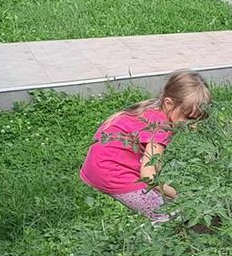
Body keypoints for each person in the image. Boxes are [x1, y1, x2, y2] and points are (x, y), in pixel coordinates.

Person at [80, 69, 210, 223]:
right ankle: (158, 241)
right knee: (166, 214)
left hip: (98, 166)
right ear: (169, 104)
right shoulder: (160, 128)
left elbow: (154, 163)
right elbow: (148, 177)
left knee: (163, 201)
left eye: (197, 120)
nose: (193, 126)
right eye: (188, 118)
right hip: (112, 174)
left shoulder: (152, 110)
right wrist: (179, 194)